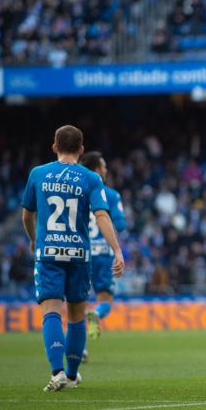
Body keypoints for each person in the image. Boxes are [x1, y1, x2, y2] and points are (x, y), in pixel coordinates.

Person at [21, 125, 124, 392]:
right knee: (77, 316)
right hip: (79, 254)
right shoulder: (91, 178)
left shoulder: (38, 174)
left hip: (49, 252)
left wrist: (33, 238)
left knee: (52, 310)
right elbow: (102, 215)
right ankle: (72, 374)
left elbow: (26, 215)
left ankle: (56, 373)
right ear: (81, 149)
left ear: (54, 146)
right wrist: (117, 250)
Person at [79, 151, 126, 357]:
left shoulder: (75, 191)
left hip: (81, 252)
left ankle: (79, 348)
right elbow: (121, 225)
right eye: (104, 167)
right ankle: (96, 314)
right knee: (105, 299)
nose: (106, 170)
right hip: (105, 254)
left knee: (76, 302)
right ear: (97, 169)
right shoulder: (111, 194)